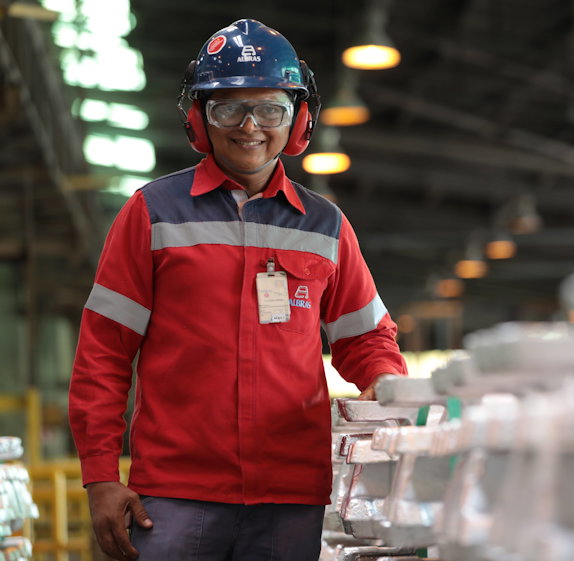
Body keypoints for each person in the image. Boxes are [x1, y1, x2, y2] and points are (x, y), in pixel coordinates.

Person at [68, 18, 407, 561]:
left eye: (270, 109)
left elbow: (366, 339)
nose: (250, 126)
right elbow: (104, 354)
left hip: (290, 497)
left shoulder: (326, 227)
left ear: (298, 119)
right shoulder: (151, 215)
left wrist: (386, 384)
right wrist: (100, 475)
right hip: (175, 495)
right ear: (199, 119)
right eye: (228, 108)